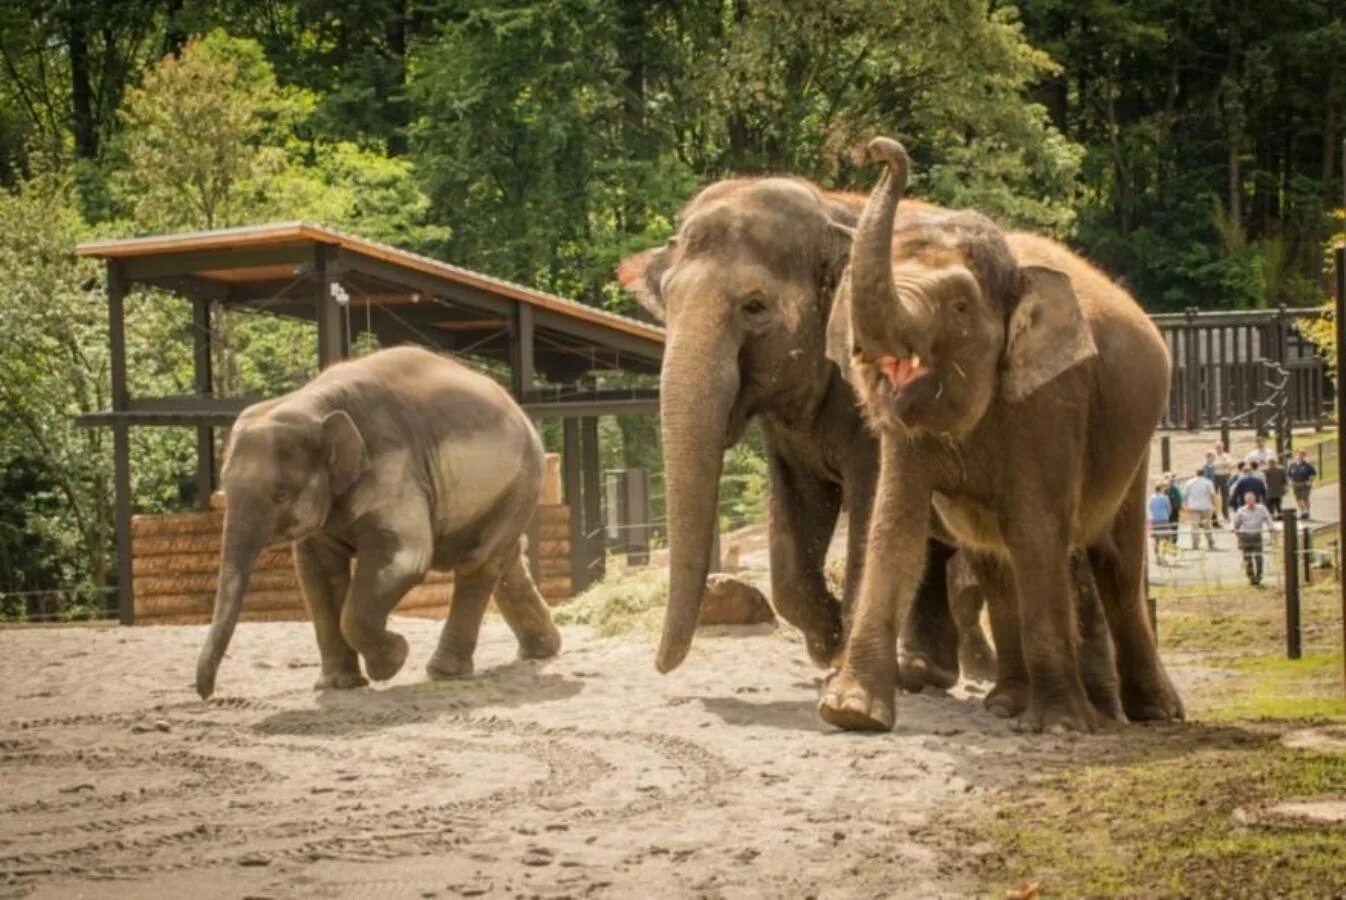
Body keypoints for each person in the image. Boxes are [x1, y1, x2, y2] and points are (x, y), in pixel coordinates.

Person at [1232, 491, 1275, 586]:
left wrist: (1271, 527)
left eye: (1251, 499)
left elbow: (1268, 518)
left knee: (1258, 557)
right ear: (1245, 500)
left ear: (1255, 499)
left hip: (1257, 536)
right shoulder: (1241, 510)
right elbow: (1236, 523)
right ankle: (1251, 578)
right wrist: (1235, 529)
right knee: (1247, 558)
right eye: (1248, 500)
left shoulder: (1261, 508)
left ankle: (1259, 576)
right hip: (1245, 537)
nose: (1250, 501)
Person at [1182, 467, 1216, 550]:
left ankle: (1195, 544)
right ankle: (1210, 542)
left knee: (1194, 526)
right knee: (1207, 525)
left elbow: (1185, 495)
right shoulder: (1208, 482)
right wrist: (1214, 505)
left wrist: (1185, 506)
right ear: (1204, 474)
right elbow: (1212, 495)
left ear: (1196, 473)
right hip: (1205, 506)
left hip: (1193, 506)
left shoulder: (1189, 483)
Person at [1287, 449, 1318, 520]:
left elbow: (1313, 474)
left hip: (1305, 484)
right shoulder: (1293, 465)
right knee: (1298, 499)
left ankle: (1307, 512)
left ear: (1305, 456)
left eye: (1303, 455)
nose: (1301, 456)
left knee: (1305, 498)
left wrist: (1310, 481)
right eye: (1300, 454)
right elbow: (1289, 475)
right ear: (1297, 455)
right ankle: (1303, 512)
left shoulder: (1307, 465)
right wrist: (1290, 481)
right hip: (1295, 484)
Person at [1149, 482, 1173, 563]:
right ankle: (1163, 556)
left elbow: (1150, 508)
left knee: (1156, 540)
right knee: (1167, 538)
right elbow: (1169, 509)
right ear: (1161, 489)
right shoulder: (1165, 498)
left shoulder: (1152, 498)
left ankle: (1157, 558)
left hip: (1155, 519)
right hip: (1163, 519)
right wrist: (1167, 515)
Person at [1211, 442, 1235, 521]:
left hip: (1225, 476)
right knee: (1213, 496)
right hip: (1215, 476)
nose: (1219, 448)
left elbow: (1230, 463)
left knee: (1225, 496)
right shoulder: (1213, 455)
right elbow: (1212, 465)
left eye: (1220, 447)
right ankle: (1214, 516)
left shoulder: (1226, 455)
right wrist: (1223, 464)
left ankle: (1226, 515)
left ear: (1223, 447)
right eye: (1217, 447)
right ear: (1215, 448)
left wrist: (1219, 464)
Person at [1164, 473, 1183, 550]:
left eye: (1171, 482)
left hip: (1174, 512)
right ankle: (1167, 543)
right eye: (1169, 482)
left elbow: (1179, 500)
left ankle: (1173, 543)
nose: (1169, 483)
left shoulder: (1175, 490)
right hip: (1167, 512)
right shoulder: (1165, 490)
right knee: (1167, 527)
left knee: (1174, 527)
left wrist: (1175, 508)